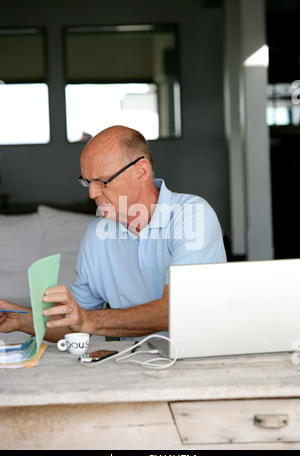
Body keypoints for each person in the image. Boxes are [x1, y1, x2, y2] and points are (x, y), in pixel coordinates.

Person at [0, 125, 227, 342]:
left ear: (141, 172)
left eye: (101, 181)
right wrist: (21, 318)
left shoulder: (193, 216)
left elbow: (176, 310)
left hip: (200, 360)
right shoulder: (95, 235)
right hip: (132, 363)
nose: (91, 193)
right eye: (87, 182)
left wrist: (88, 320)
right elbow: (73, 320)